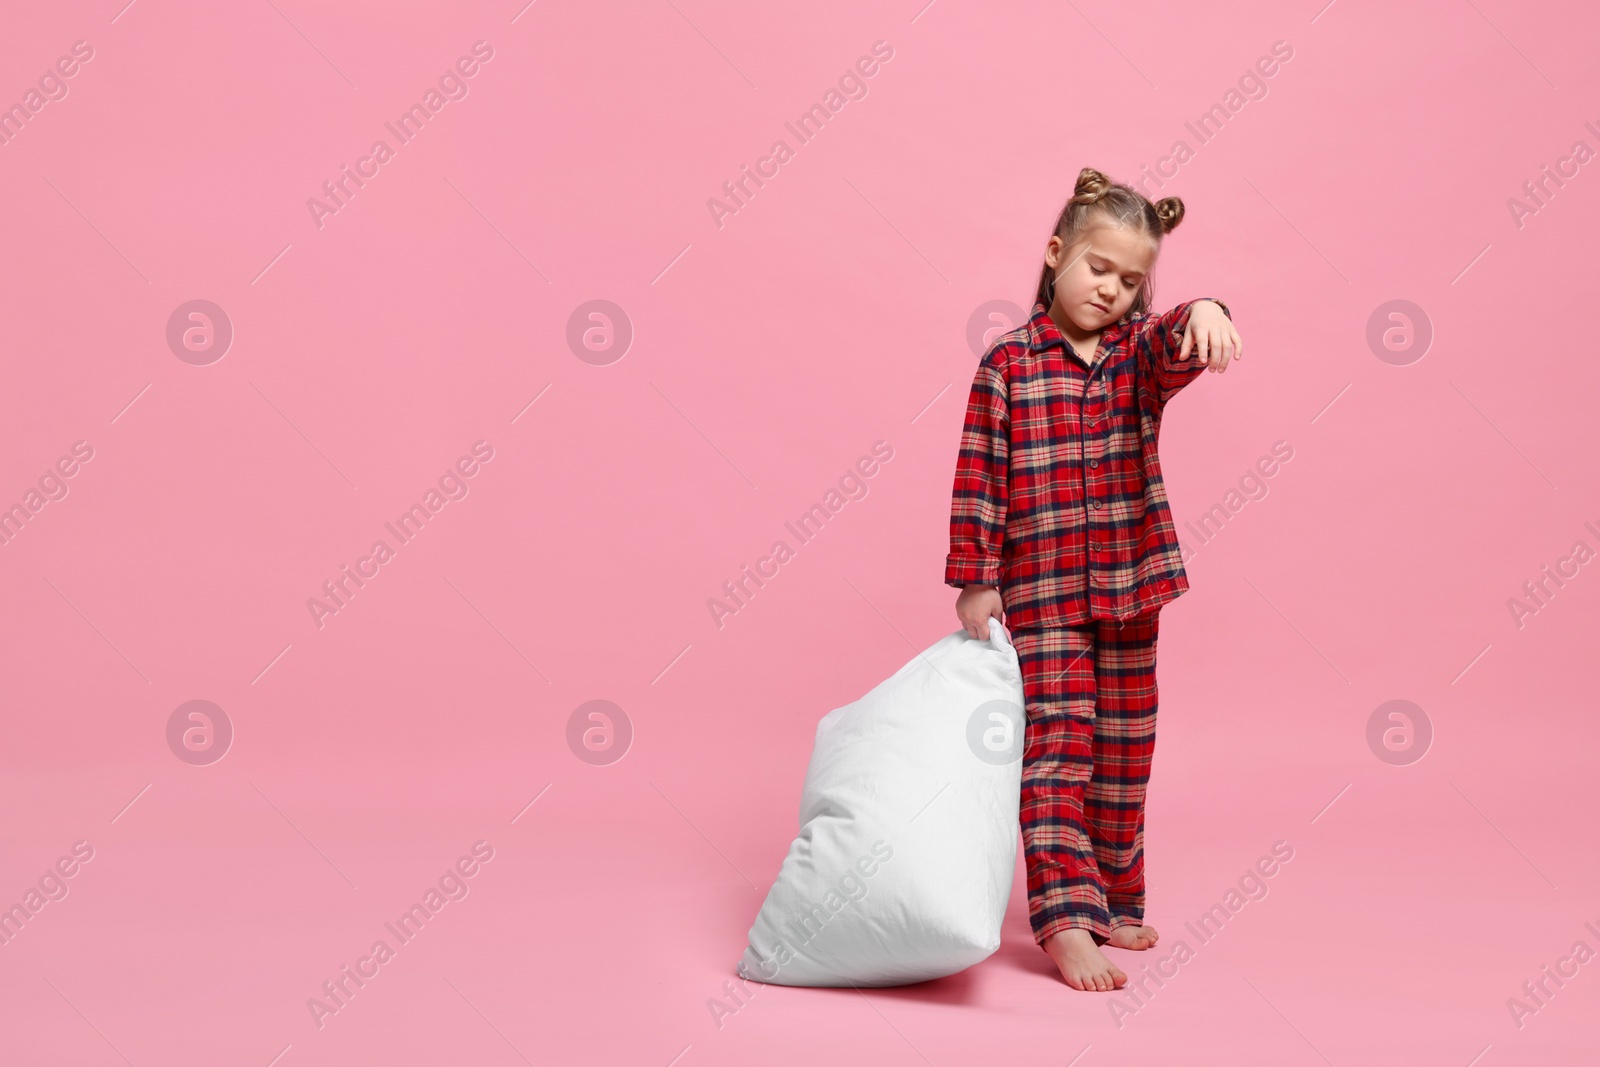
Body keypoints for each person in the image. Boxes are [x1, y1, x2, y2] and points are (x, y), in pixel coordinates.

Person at [945, 167, 1243, 992]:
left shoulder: (1137, 357)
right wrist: (975, 577)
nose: (1110, 289)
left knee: (1124, 751)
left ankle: (1110, 899)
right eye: (1097, 268)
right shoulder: (1008, 364)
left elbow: (1175, 340)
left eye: (1130, 278)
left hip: (1129, 582)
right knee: (1058, 750)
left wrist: (1208, 309)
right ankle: (1065, 919)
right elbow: (979, 474)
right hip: (1040, 592)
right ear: (1056, 255)